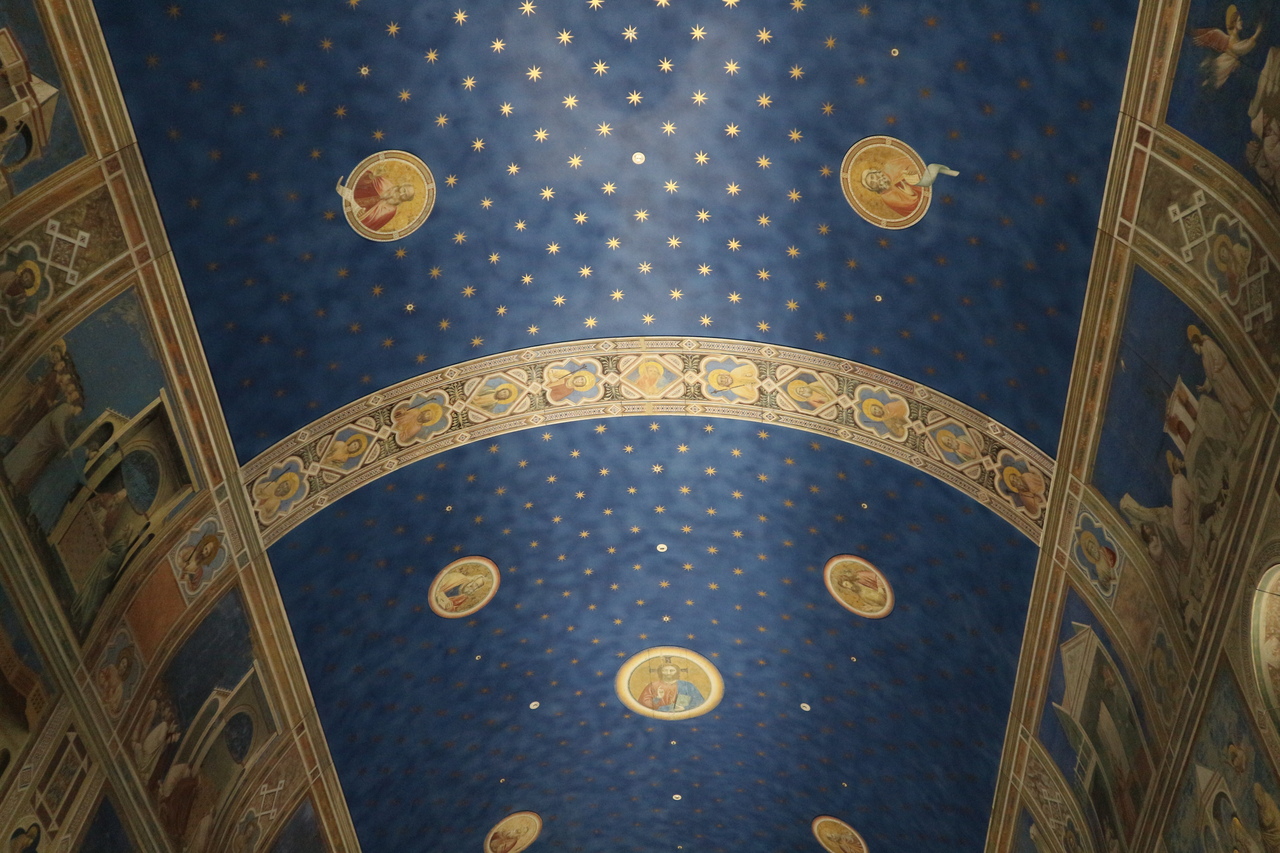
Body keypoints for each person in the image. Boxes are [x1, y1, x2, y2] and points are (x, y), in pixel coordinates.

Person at [1188, 325, 1254, 427]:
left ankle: (1247, 414)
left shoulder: (1208, 344)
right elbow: (1209, 374)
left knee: (1235, 395)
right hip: (1219, 383)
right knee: (1229, 403)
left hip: (1225, 375)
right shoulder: (1204, 358)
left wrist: (1215, 372)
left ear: (1197, 343)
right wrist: (1204, 386)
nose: (1195, 351)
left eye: (1194, 348)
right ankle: (1241, 421)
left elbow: (1220, 357)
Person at [860, 156, 958, 217]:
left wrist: (912, 170)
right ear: (874, 189)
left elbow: (912, 161)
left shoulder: (890, 165)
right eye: (872, 183)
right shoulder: (887, 197)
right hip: (935, 198)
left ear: (875, 172)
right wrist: (910, 194)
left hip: (933, 176)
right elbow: (910, 208)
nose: (876, 180)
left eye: (872, 177)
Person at [1192, 5, 1262, 89]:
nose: (1241, 22)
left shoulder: (1236, 38)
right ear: (1234, 23)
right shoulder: (1231, 39)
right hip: (1223, 64)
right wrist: (1257, 33)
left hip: (1229, 65)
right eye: (1239, 20)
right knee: (1213, 80)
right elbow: (1239, 49)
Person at [335, 169, 415, 231]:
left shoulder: (391, 211)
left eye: (405, 196)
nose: (401, 194)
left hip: (351, 218)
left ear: (405, 200)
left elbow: (373, 225)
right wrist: (370, 177)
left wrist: (362, 215)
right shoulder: (383, 183)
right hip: (345, 197)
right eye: (403, 190)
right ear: (401, 186)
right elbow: (359, 182)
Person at [637, 661, 703, 712]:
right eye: (665, 670)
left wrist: (685, 708)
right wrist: (658, 698)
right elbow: (643, 704)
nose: (668, 673)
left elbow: (699, 701)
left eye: (672, 671)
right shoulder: (653, 685)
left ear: (677, 672)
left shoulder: (686, 685)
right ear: (660, 672)